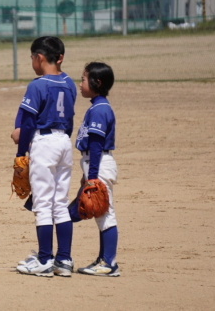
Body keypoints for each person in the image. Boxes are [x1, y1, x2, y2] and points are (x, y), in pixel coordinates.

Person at [14, 36, 76, 277]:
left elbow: (28, 123)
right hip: (63, 141)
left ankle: (44, 260)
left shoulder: (37, 85)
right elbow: (69, 119)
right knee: (60, 203)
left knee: (42, 204)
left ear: (39, 58)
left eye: (32, 58)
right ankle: (64, 260)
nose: (32, 62)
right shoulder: (70, 83)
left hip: (44, 142)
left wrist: (21, 155)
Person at [74, 62, 120, 277]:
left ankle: (109, 263)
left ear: (97, 82)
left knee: (105, 214)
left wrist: (92, 178)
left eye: (83, 79)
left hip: (99, 163)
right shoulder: (97, 105)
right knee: (98, 213)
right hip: (96, 164)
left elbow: (95, 144)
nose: (80, 84)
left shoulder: (100, 108)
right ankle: (103, 260)